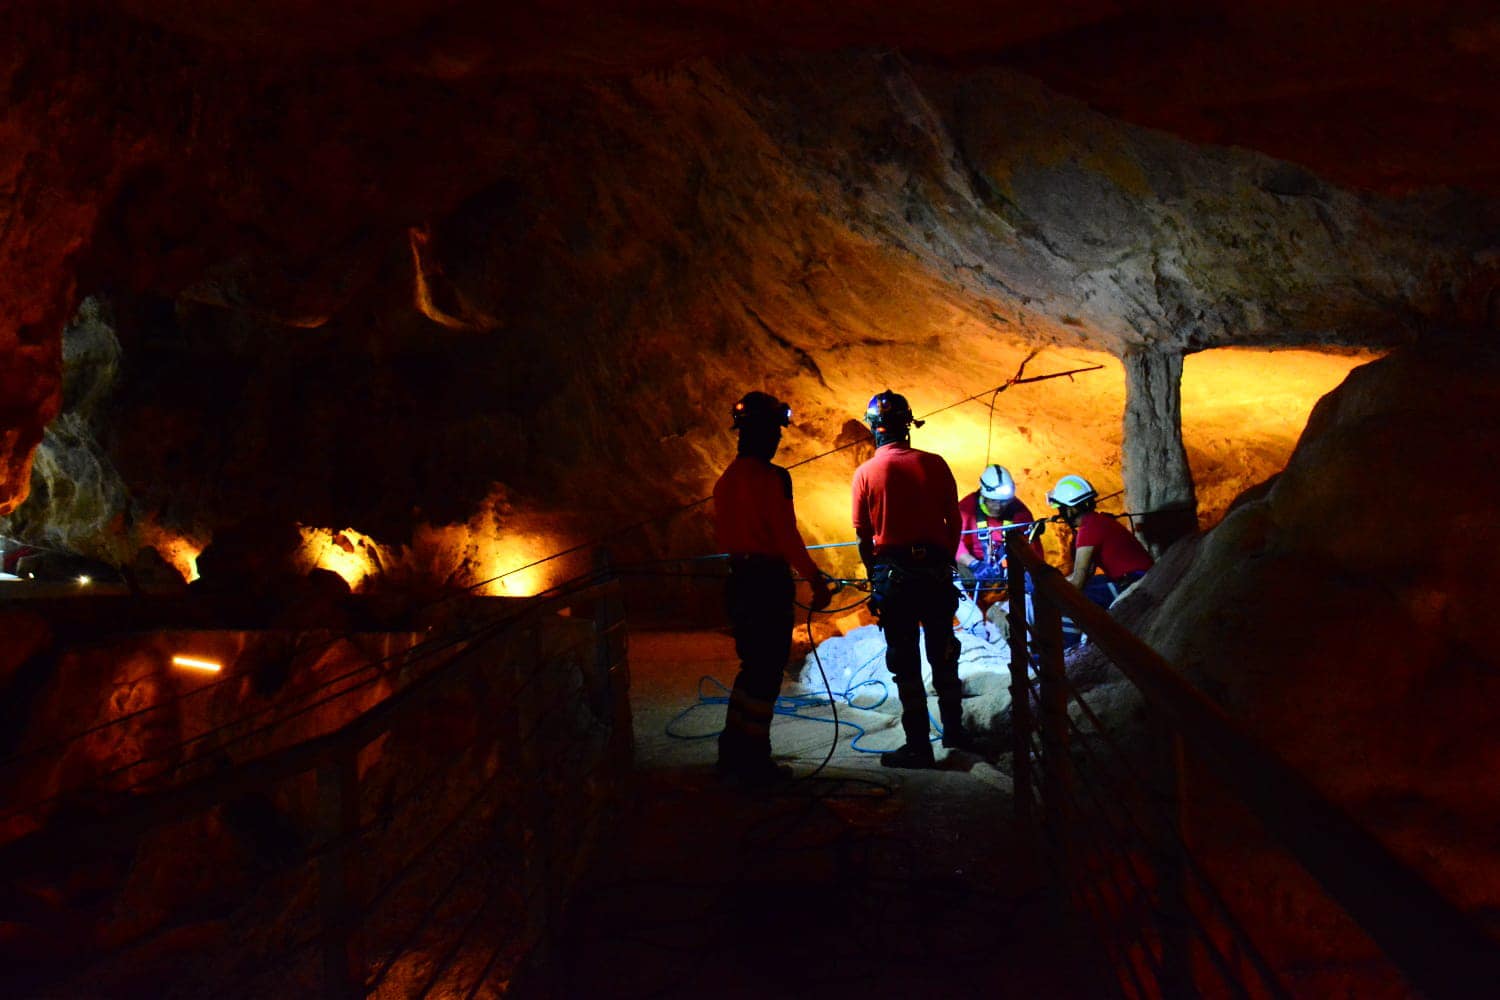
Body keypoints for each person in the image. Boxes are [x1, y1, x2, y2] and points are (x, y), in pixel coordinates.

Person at [712, 390, 832, 784]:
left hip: (739, 582)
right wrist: (814, 578)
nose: (779, 439)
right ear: (765, 433)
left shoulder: (726, 480)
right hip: (766, 584)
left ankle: (732, 752)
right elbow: (786, 536)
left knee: (752, 668)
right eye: (776, 432)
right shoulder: (774, 478)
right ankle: (755, 761)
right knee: (766, 673)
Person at [851, 390, 975, 768]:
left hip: (895, 576)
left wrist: (875, 576)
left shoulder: (865, 473)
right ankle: (954, 732)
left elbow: (862, 534)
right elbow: (953, 521)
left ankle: (918, 745)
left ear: (874, 429)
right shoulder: (934, 464)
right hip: (934, 572)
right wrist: (945, 560)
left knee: (904, 662)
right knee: (944, 653)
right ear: (908, 425)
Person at [1047, 474, 1154, 609]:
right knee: (1091, 585)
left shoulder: (1088, 529)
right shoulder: (1097, 521)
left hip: (1135, 582)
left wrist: (1048, 588)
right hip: (1142, 576)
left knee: (1070, 603)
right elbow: (1088, 572)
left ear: (1070, 509)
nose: (1060, 514)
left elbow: (1078, 581)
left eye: (1061, 509)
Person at [955, 464, 1044, 595]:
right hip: (972, 564)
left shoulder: (1021, 514)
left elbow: (1033, 548)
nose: (998, 507)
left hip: (1007, 567)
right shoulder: (966, 509)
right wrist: (973, 564)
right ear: (983, 495)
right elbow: (954, 541)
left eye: (1003, 502)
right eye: (993, 501)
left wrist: (1034, 574)